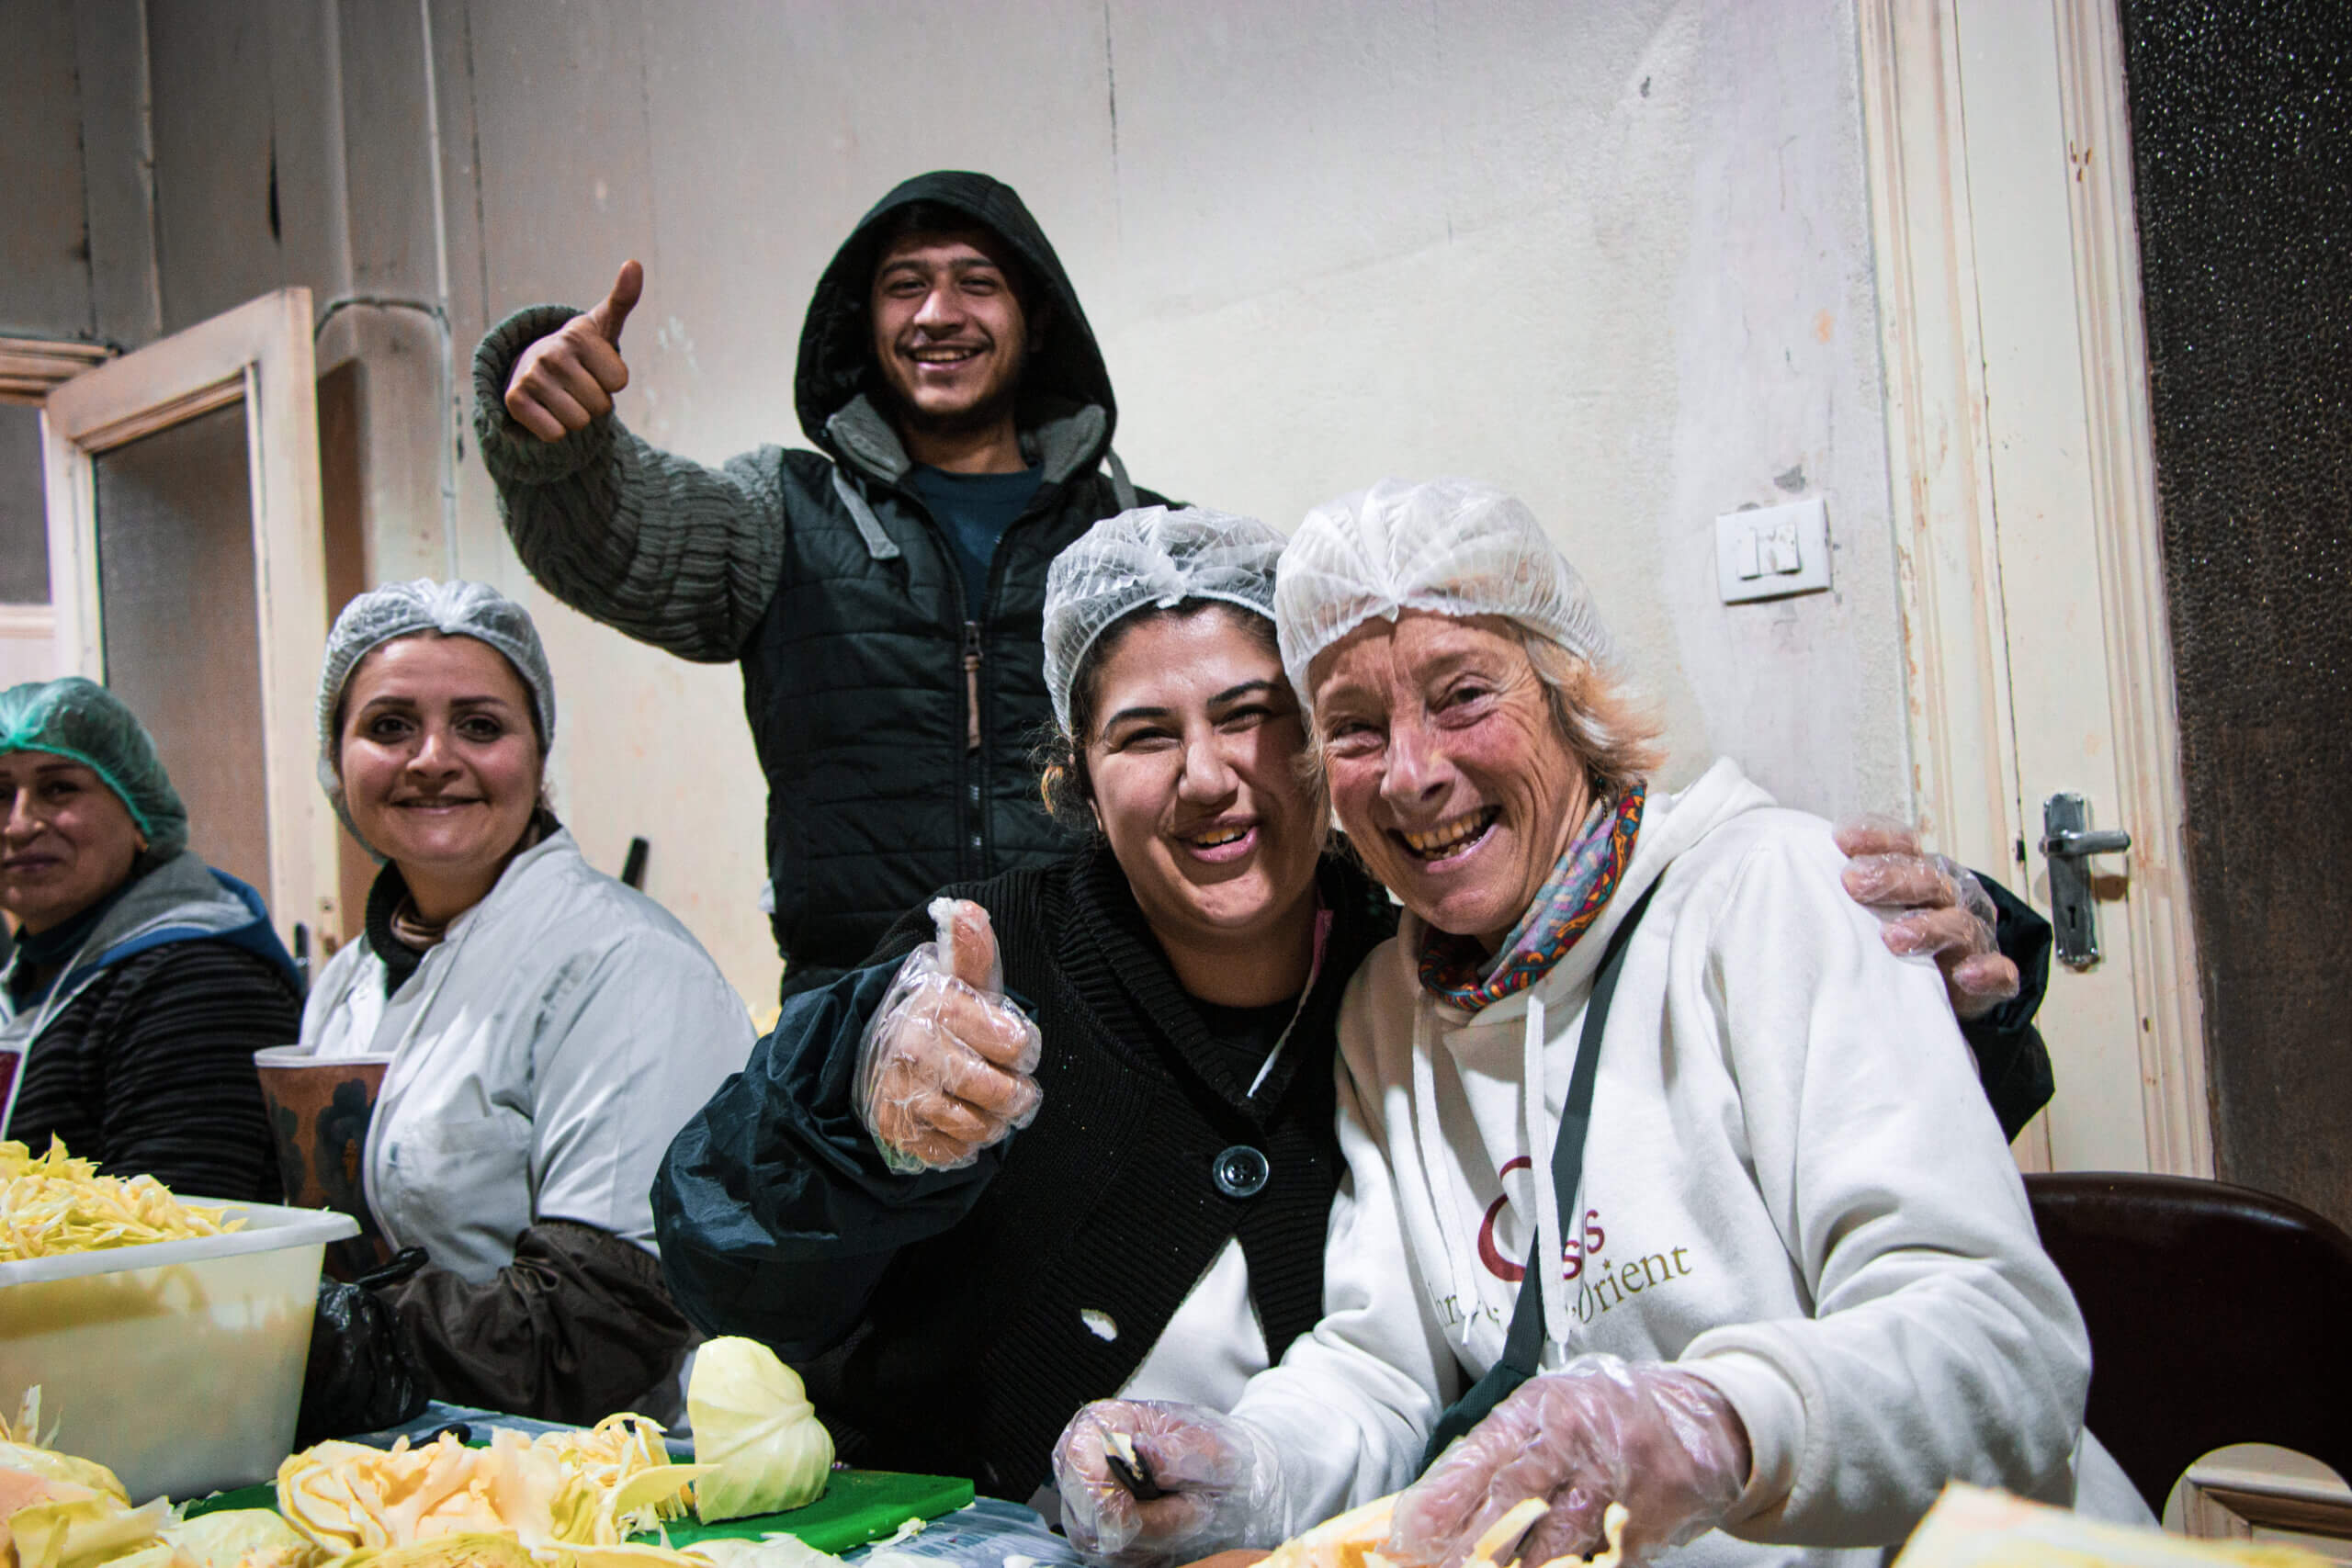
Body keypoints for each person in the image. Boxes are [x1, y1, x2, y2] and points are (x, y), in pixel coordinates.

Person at [657, 508, 2059, 1507]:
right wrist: (855, 1103)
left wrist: (1983, 984)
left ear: (1573, 698)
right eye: (1145, 734)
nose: (1210, 775)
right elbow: (1385, 1359)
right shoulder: (1000, 963)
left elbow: (1937, 1262)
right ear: (1077, 780)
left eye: (1257, 715)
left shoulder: (1446, 946)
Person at [1051, 479, 2143, 1568]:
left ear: (1569, 694)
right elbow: (1383, 1366)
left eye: (1464, 695)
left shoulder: (1774, 893)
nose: (1414, 774)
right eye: (1352, 729)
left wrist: (1718, 1426)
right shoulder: (1387, 1006)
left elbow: (2000, 1346)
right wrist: (1247, 1469)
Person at [477, 170, 1163, 998]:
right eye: (904, 286)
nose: (938, 313)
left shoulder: (1135, 538)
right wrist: (561, 446)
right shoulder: (783, 514)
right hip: (850, 1037)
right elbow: (617, 541)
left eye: (976, 283)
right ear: (864, 322)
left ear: (1037, 315)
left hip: (1108, 1021)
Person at [293, 579, 755, 1424]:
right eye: (390, 725)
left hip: (598, 1490)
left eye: (480, 725)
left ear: (540, 759)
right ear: (336, 757)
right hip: (407, 1464)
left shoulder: (628, 968)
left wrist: (315, 1345)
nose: (432, 757)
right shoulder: (348, 983)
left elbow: (599, 1322)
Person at [0, 678, 300, 1201]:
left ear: (139, 814)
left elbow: (167, 1230)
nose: (20, 824)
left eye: (58, 789)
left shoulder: (198, 981)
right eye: (0, 795)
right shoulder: (32, 979)